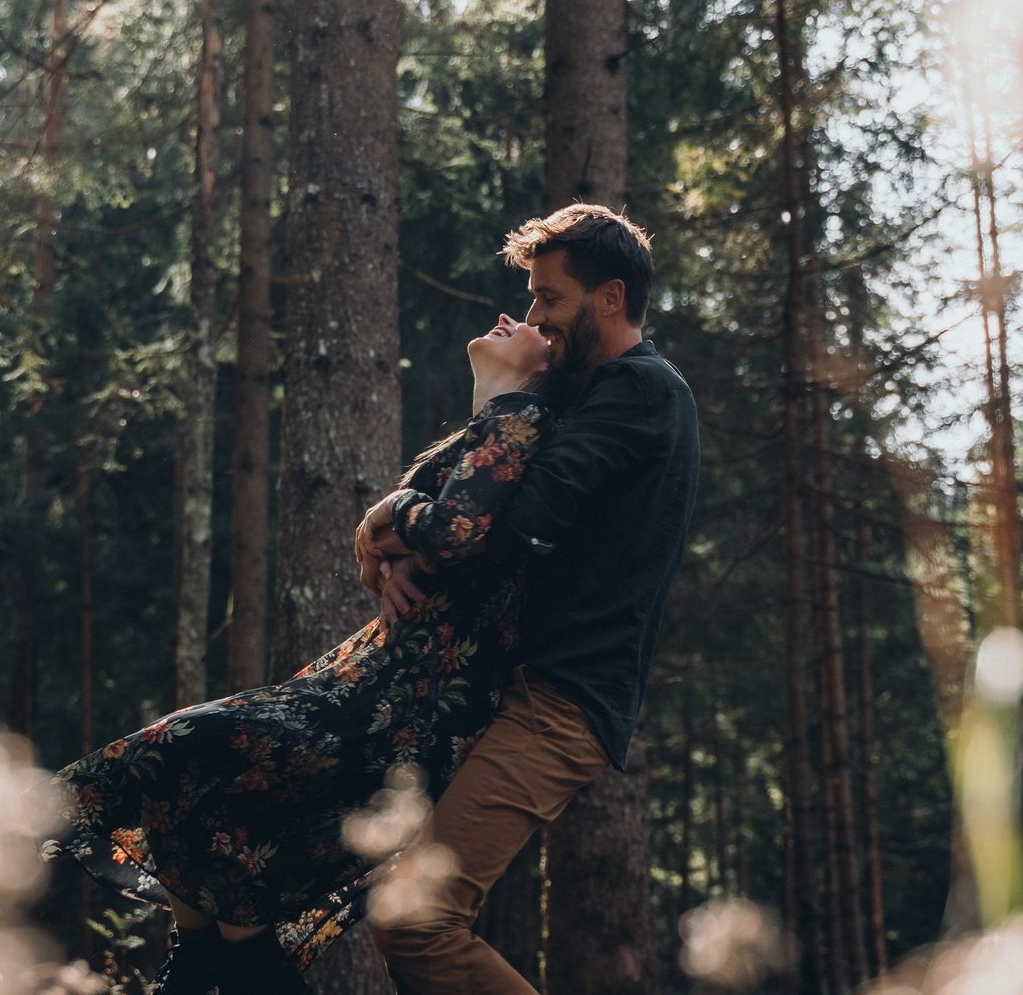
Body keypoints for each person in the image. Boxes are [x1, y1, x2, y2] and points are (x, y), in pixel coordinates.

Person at [47, 314, 576, 995]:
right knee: (198, 808)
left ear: (549, 360)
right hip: (378, 678)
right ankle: (209, 963)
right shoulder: (489, 428)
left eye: (533, 321)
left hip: (414, 705)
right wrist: (387, 555)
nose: (511, 318)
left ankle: (209, 964)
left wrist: (396, 514)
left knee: (182, 747)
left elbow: (453, 531)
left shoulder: (524, 416)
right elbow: (401, 553)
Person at [360, 204, 700, 995]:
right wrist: (391, 533)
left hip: (561, 706)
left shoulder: (639, 392)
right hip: (504, 690)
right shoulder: (581, 391)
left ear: (610, 299)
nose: (535, 319)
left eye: (550, 299)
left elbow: (508, 526)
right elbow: (463, 498)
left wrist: (394, 521)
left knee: (417, 920)